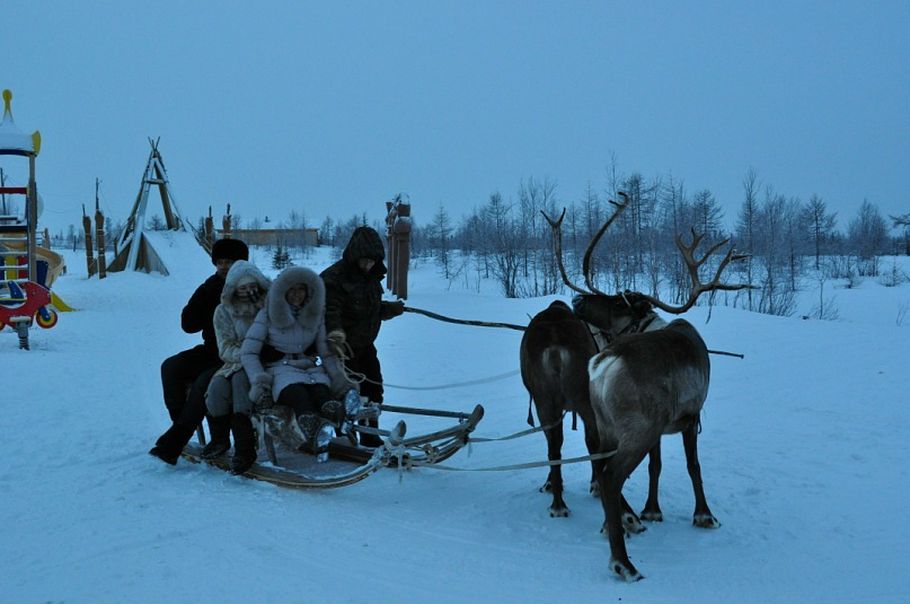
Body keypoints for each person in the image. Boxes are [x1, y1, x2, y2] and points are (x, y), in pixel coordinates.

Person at [149, 238, 249, 465]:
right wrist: (206, 293)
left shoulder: (251, 288)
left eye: (230, 261)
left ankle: (177, 439)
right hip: (211, 350)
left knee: (204, 382)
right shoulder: (210, 286)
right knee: (171, 367)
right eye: (220, 261)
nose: (224, 266)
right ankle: (180, 425)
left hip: (237, 355)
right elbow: (188, 324)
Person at [240, 265, 354, 463]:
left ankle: (339, 418)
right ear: (282, 291)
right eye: (291, 289)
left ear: (308, 291)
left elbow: (325, 352)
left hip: (309, 368)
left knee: (322, 393)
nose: (296, 294)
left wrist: (338, 377)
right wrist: (260, 381)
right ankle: (315, 431)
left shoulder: (314, 315)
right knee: (300, 396)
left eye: (301, 289)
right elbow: (249, 351)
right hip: (280, 369)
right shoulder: (268, 315)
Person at [320, 226, 405, 447]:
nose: (368, 265)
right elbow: (330, 310)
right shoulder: (335, 278)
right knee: (347, 395)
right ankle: (344, 436)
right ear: (355, 256)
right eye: (365, 260)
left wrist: (389, 309)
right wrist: (335, 334)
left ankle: (369, 433)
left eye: (372, 261)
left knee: (374, 389)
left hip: (365, 346)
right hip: (341, 349)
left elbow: (368, 309)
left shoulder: (371, 278)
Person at [202, 259, 271, 474]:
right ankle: (220, 439)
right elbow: (225, 348)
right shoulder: (223, 312)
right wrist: (246, 354)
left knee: (242, 385)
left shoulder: (269, 306)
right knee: (216, 390)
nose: (249, 291)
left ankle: (245, 448)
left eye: (253, 286)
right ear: (234, 288)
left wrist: (257, 355)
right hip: (233, 363)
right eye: (243, 287)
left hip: (266, 363)